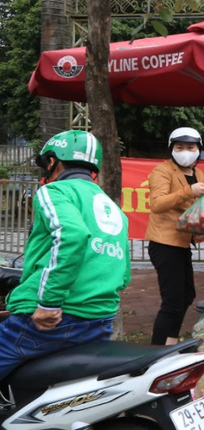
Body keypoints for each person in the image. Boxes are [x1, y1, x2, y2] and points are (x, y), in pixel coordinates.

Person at [0, 131, 130, 380]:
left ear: (52, 162)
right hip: (99, 320)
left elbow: (71, 235)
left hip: (52, 319)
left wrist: (49, 302)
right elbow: (123, 276)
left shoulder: (54, 192)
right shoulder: (112, 207)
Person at [145, 127, 204, 346]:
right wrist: (189, 192)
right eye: (179, 147)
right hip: (164, 243)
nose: (185, 151)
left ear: (199, 149)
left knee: (186, 295)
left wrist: (200, 229)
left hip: (182, 242)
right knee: (172, 301)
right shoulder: (161, 171)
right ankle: (156, 351)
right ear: (171, 149)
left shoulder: (198, 174)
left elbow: (193, 208)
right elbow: (158, 204)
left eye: (190, 147)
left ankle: (170, 342)